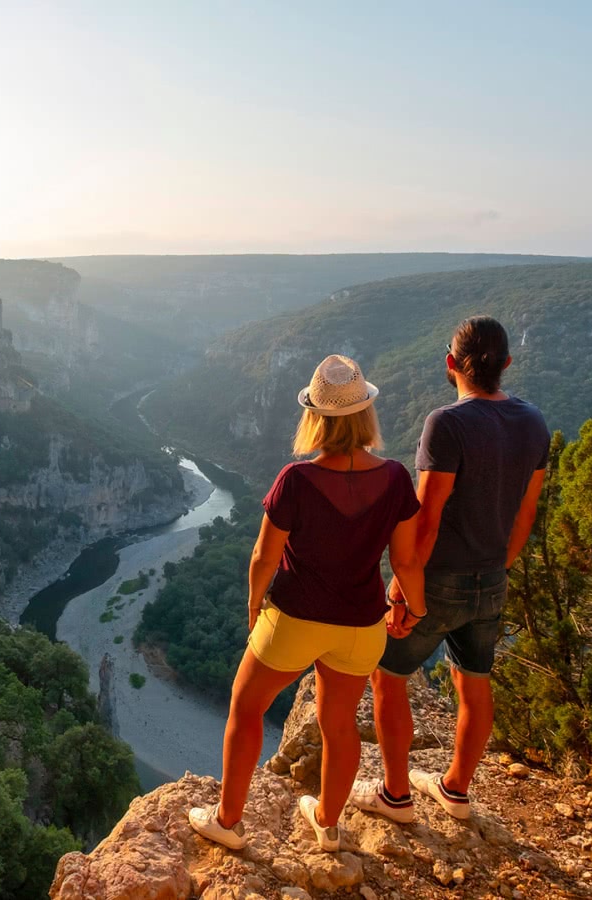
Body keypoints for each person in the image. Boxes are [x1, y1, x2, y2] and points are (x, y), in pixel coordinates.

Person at [188, 354, 425, 852]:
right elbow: (405, 563)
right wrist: (414, 609)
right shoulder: (397, 478)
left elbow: (262, 555)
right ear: (365, 415)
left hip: (294, 620)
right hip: (362, 626)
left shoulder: (296, 480)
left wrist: (254, 605)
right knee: (339, 725)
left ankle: (228, 821)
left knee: (246, 709)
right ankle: (328, 824)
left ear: (314, 417)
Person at [351, 316, 550, 824]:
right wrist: (499, 566)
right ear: (506, 364)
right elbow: (527, 512)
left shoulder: (448, 423)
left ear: (449, 364)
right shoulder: (534, 423)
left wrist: (404, 582)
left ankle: (396, 795)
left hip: (439, 578)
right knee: (474, 680)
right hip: (492, 578)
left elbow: (428, 512)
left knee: (389, 674)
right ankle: (456, 789)